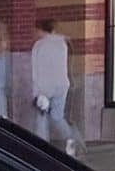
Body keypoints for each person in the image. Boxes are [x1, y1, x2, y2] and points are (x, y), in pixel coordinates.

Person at [27, 18, 83, 155]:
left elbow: (35, 71)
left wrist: (35, 93)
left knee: (41, 118)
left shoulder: (39, 46)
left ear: (40, 30)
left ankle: (42, 150)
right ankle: (71, 137)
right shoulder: (62, 43)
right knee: (57, 117)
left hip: (44, 88)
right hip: (61, 85)